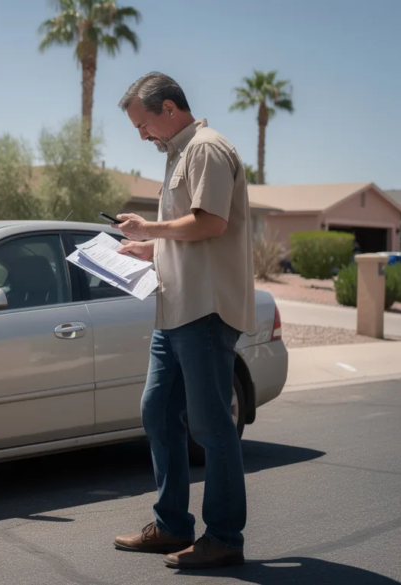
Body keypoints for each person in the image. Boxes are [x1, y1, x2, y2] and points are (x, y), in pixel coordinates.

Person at [111, 72, 255, 570]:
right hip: (173, 312)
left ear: (168, 108)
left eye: (143, 124)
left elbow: (211, 222)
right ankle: (172, 525)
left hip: (205, 312)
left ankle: (224, 538)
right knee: (157, 412)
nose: (142, 135)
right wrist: (147, 248)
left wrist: (149, 226)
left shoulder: (208, 149)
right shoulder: (179, 154)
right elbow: (192, 234)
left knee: (212, 428)